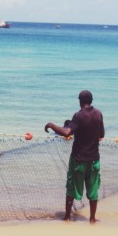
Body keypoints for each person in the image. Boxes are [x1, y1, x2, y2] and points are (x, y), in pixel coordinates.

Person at [44, 90, 104, 224]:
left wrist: (51, 125)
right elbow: (101, 135)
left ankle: (67, 217)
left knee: (71, 187)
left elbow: (66, 132)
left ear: (80, 101)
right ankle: (92, 219)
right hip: (94, 160)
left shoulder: (78, 116)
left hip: (78, 160)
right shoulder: (99, 114)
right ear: (91, 101)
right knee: (93, 190)